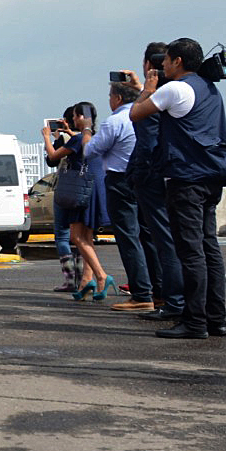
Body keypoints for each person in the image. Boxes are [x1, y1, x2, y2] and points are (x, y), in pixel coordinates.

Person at [130, 38, 226, 340]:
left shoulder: (175, 89)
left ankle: (195, 321)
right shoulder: (210, 88)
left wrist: (147, 88)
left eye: (166, 60)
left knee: (191, 252)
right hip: (211, 176)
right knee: (209, 248)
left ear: (177, 61)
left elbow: (136, 114)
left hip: (186, 179)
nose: (161, 65)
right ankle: (216, 319)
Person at [127, 43, 186, 323]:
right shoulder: (181, 91)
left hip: (152, 172)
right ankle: (175, 297)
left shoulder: (158, 95)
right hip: (175, 172)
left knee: (164, 239)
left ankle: (173, 300)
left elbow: (138, 119)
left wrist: (145, 89)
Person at [89, 81, 154, 312]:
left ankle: (141, 293)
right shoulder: (147, 116)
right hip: (144, 179)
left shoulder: (115, 121)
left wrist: (86, 130)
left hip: (119, 180)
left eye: (110, 95)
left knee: (128, 239)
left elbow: (90, 150)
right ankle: (157, 289)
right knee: (148, 236)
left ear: (117, 98)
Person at [43, 102, 115, 301]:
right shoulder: (95, 136)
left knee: (76, 237)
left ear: (81, 117)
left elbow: (53, 156)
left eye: (75, 117)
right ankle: (86, 281)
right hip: (95, 189)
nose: (72, 121)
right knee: (87, 237)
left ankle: (101, 275)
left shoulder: (77, 141)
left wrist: (47, 137)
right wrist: (69, 132)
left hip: (79, 193)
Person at [44, 112, 83, 292]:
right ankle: (82, 277)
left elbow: (51, 159)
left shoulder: (68, 140)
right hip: (83, 191)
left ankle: (69, 279)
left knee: (62, 235)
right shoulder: (87, 138)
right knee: (80, 236)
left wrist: (48, 138)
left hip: (65, 190)